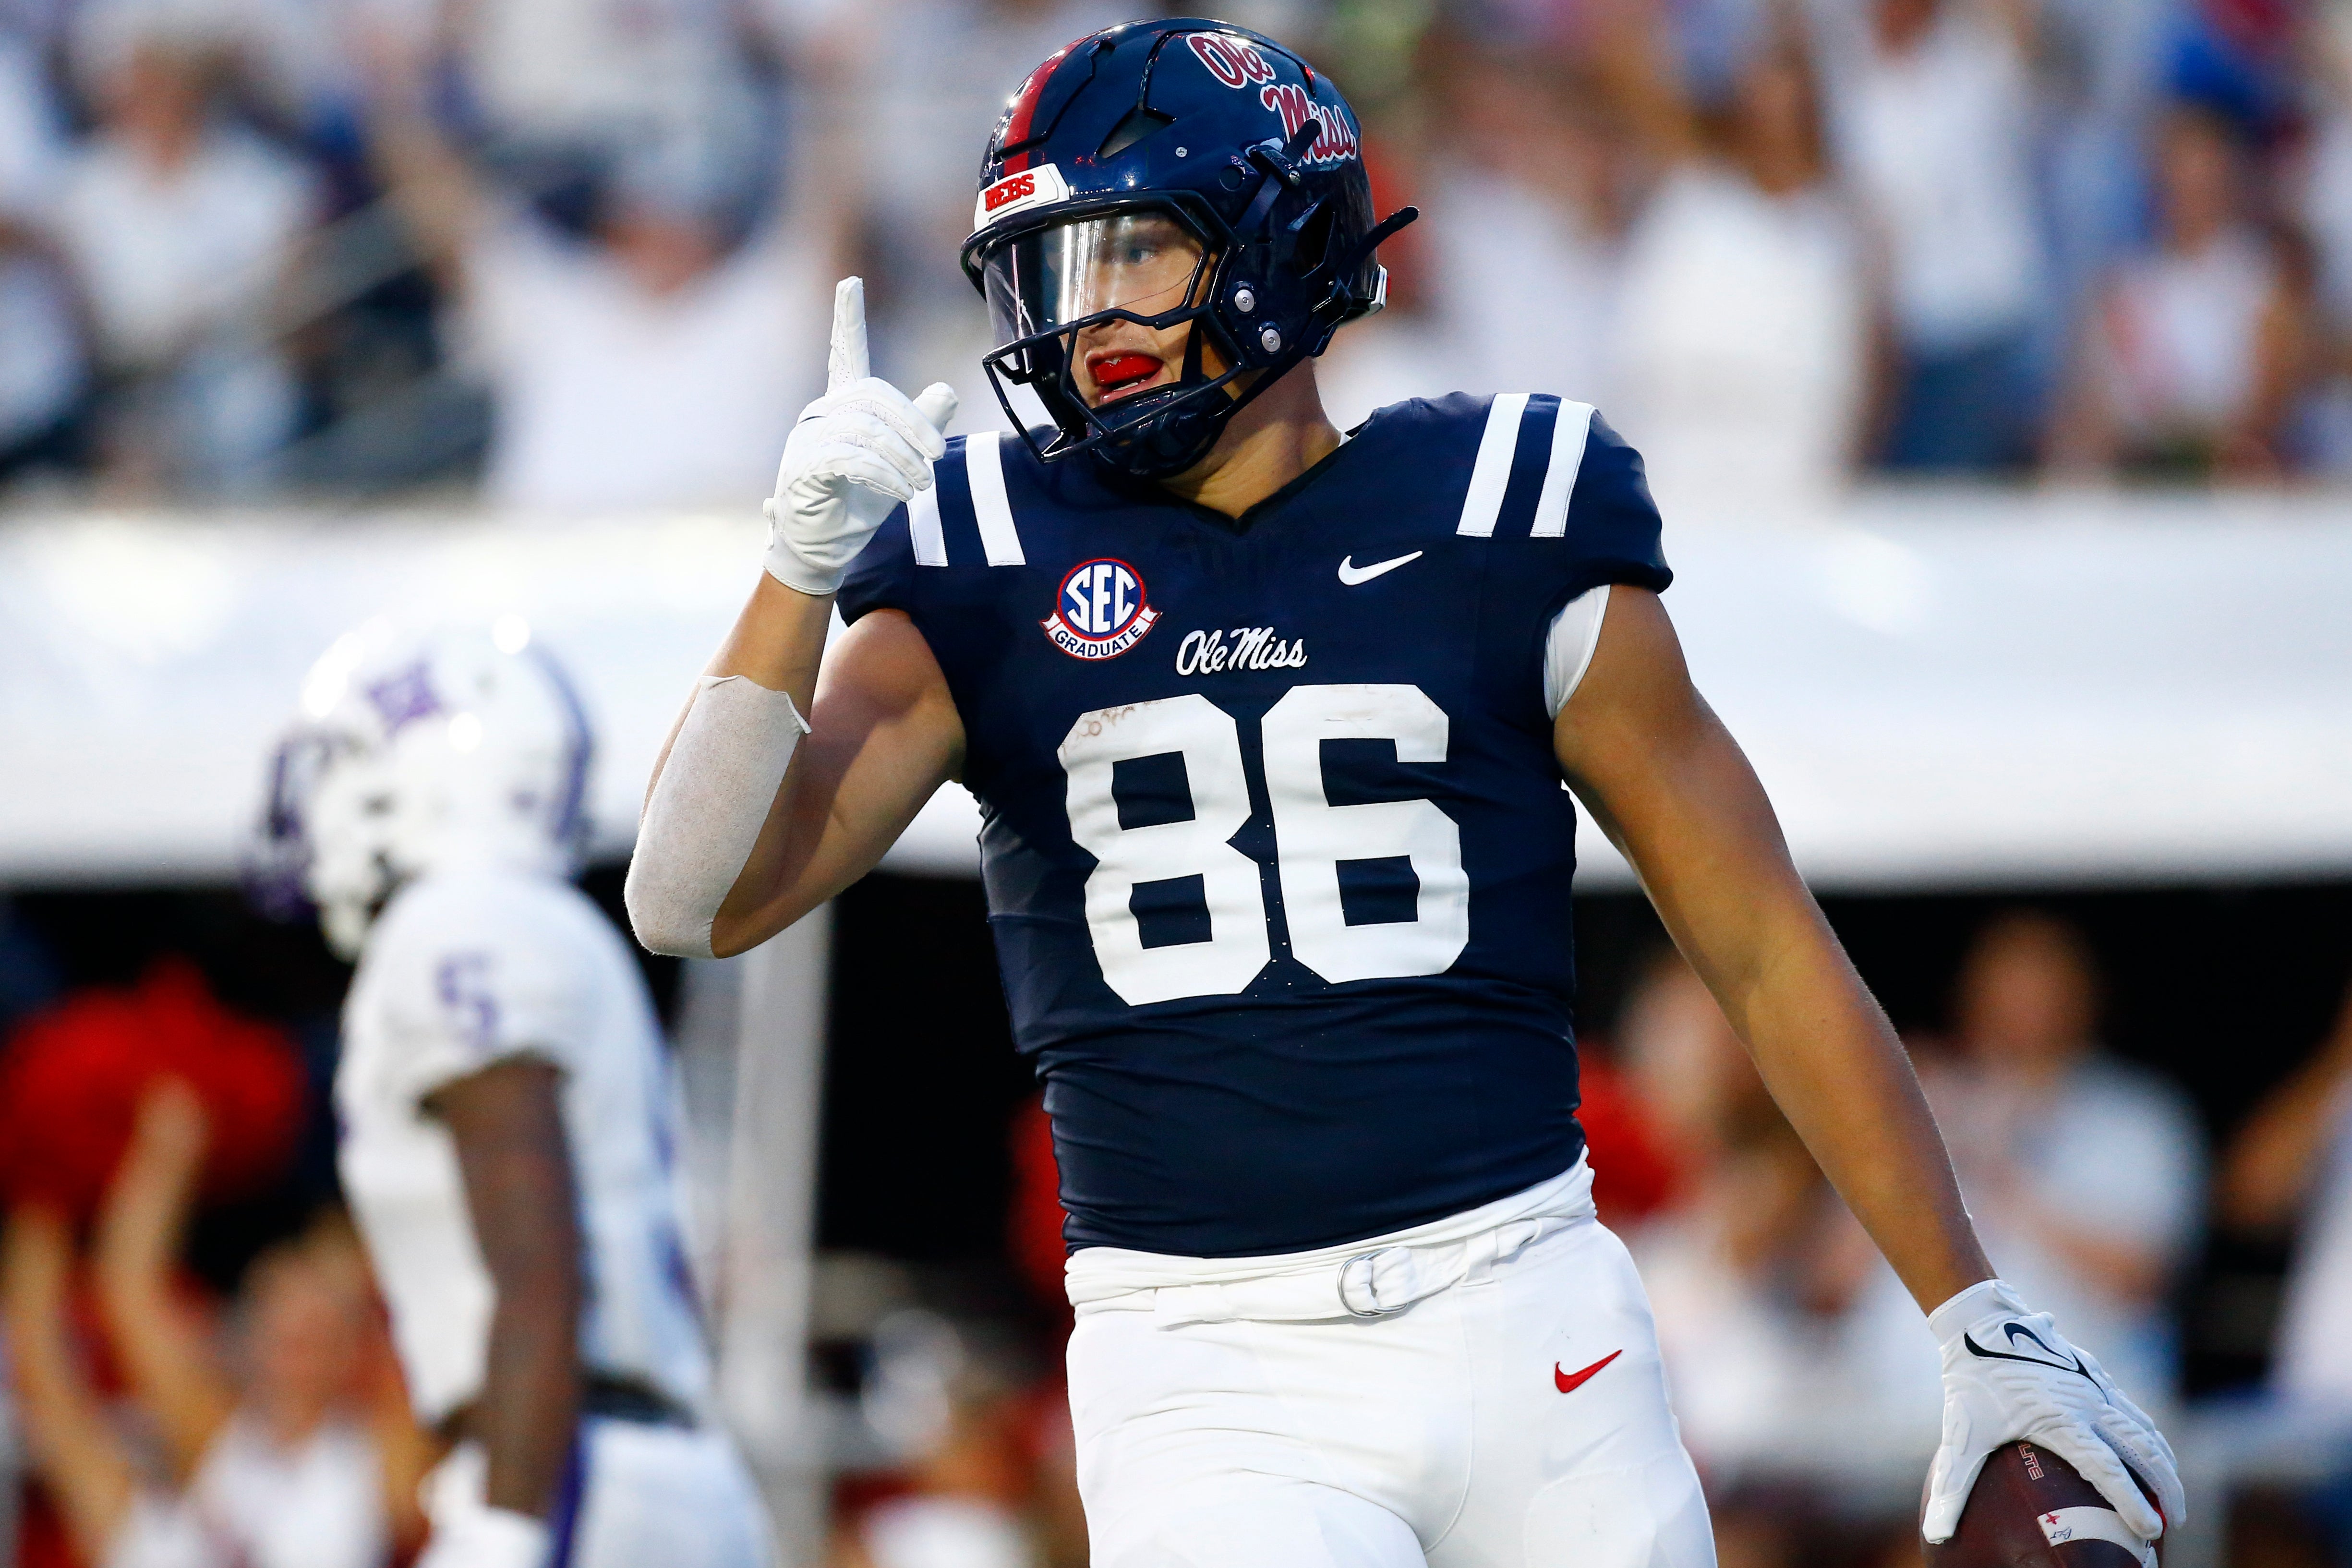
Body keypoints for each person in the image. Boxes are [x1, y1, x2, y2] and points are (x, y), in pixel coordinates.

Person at [625, 21, 2181, 1566]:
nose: (1085, 316)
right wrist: (793, 572)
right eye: (1057, 268)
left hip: (1522, 1309)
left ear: (1273, 239)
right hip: (1202, 1355)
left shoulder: (1502, 511)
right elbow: (691, 896)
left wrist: (1964, 1302)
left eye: (1132, 256)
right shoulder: (978, 549)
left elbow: (1760, 943)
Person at [253, 619, 770, 1568]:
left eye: (348, 760)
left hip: (572, 1471)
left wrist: (507, 1526)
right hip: (635, 1465)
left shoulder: (458, 922)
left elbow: (533, 1259)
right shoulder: (541, 922)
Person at [1, 1079, 426, 1568]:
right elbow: (115, 1301)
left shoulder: (373, 1467)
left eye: (316, 1336)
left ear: (352, 1350)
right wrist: (147, 1160)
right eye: (284, 1334)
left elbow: (437, 1345)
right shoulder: (208, 1445)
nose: (295, 1351)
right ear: (246, 1340)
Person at [1928, 912, 2204, 1411]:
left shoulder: (2137, 1115)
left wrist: (2004, 1173)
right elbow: (1829, 1285)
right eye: (2008, 987)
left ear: (2084, 996)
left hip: (2087, 1420)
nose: (2026, 1007)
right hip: (1914, 1421)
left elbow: (2142, 1274)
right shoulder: (1925, 1105)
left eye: (2043, 987)